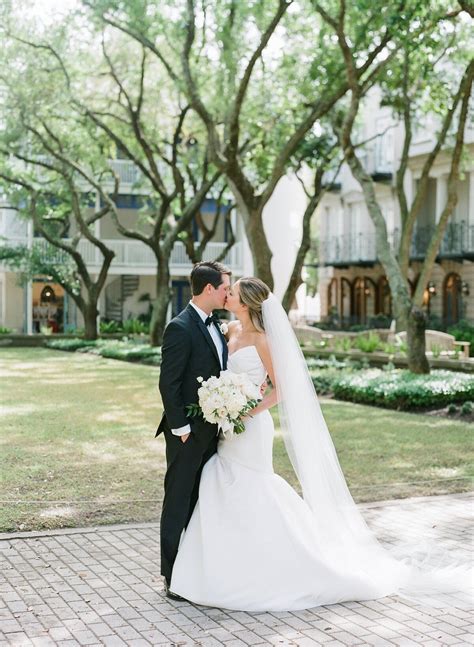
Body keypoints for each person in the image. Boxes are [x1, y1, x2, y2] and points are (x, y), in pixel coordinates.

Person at [169, 277, 472, 611]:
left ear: (247, 302)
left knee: (252, 485)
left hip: (251, 427)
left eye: (234, 293)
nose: (228, 295)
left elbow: (280, 389)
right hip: (228, 428)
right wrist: (223, 406)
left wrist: (246, 411)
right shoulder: (228, 331)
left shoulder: (264, 341)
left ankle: (292, 562)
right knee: (219, 479)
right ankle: (224, 567)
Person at [156, 261, 231, 599]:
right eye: (225, 287)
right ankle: (172, 577)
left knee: (203, 503)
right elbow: (168, 383)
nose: (228, 292)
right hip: (187, 434)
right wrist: (180, 428)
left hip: (214, 433)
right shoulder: (180, 327)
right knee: (178, 501)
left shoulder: (218, 326)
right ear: (210, 289)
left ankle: (197, 570)